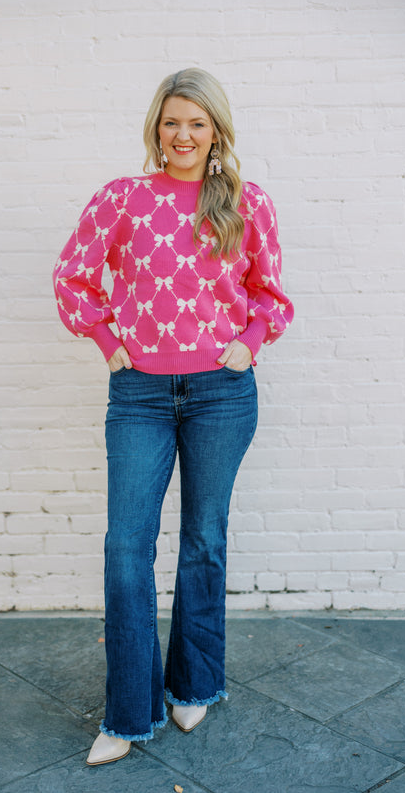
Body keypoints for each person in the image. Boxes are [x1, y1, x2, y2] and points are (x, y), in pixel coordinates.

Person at [53, 68, 294, 766]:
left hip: (221, 393)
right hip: (140, 396)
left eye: (195, 122)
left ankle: (196, 681)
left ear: (215, 128)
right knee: (125, 548)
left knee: (203, 540)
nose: (181, 135)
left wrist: (248, 345)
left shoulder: (246, 203)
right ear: (155, 128)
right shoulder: (121, 199)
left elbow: (270, 296)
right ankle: (127, 711)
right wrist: (108, 342)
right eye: (170, 122)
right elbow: (73, 275)